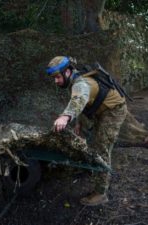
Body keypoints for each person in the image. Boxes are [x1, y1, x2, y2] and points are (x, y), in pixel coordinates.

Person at [45, 56, 127, 206]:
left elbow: (79, 99)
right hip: (99, 110)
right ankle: (92, 169)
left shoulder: (81, 83)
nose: (56, 81)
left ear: (68, 72)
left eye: (57, 77)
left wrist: (65, 117)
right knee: (90, 138)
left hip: (114, 111)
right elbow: (83, 103)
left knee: (101, 147)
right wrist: (78, 124)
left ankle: (101, 193)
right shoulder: (74, 80)